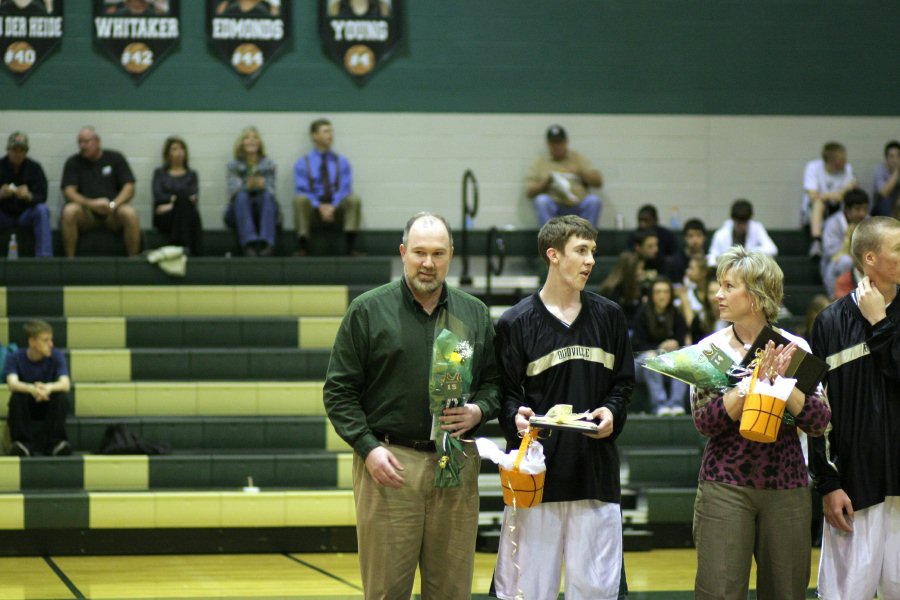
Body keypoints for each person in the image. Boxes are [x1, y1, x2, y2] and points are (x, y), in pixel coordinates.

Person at [323, 212, 500, 600]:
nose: (428, 263)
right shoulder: (368, 311)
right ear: (403, 252)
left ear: (450, 255)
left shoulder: (473, 314)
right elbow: (338, 393)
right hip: (390, 465)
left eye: (438, 253)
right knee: (387, 591)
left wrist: (479, 412)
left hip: (455, 464)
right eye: (419, 252)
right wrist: (368, 449)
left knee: (452, 591)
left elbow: (494, 384)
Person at [492, 215, 633, 599]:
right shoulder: (515, 322)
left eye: (593, 252)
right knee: (525, 591)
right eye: (581, 251)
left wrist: (613, 412)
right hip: (536, 477)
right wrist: (514, 416)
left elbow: (623, 384)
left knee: (596, 592)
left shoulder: (610, 316)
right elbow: (505, 395)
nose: (590, 261)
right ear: (553, 255)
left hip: (595, 475)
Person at [691, 246, 831, 600]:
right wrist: (747, 386)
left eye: (728, 286)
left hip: (786, 485)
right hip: (725, 484)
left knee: (786, 592)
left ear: (755, 296)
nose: (717, 294)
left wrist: (786, 386)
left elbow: (819, 422)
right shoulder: (710, 350)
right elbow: (704, 422)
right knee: (719, 591)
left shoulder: (794, 348)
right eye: (718, 285)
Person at [809, 216, 900, 600]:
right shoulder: (829, 323)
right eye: (897, 248)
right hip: (854, 492)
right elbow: (815, 412)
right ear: (870, 258)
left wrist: (880, 322)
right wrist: (828, 484)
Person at [60, 126, 141, 258]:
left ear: (97, 141)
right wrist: (91, 204)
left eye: (86, 142)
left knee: (130, 213)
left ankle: (133, 261)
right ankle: (70, 261)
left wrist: (113, 205)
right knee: (69, 211)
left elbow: (129, 187)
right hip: (86, 212)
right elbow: (69, 191)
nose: (82, 146)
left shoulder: (115, 158)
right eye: (80, 142)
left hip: (113, 211)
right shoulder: (73, 162)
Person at [293, 119, 363, 256]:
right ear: (314, 135)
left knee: (354, 199)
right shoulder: (303, 163)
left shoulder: (341, 161)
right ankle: (304, 247)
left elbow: (345, 188)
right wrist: (319, 206)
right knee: (300, 200)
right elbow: (302, 189)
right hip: (314, 212)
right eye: (326, 131)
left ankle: (350, 248)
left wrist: (333, 206)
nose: (330, 135)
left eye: (331, 131)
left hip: (337, 211)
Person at [3, 320, 71, 457]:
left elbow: (65, 384)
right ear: (32, 342)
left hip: (48, 404)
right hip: (27, 405)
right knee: (17, 396)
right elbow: (12, 383)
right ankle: (23, 444)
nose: (50, 344)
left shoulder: (56, 355)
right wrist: (32, 389)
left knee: (61, 396)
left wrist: (48, 388)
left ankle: (55, 444)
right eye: (45, 340)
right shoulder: (14, 357)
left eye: (50, 340)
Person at [526, 125, 603, 227]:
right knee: (541, 201)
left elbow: (598, 182)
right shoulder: (540, 162)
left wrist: (580, 173)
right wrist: (547, 181)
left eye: (560, 142)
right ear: (548, 144)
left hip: (577, 204)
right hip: (555, 206)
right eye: (553, 143)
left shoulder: (577, 158)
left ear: (566, 141)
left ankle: (586, 239)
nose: (557, 146)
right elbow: (529, 192)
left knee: (594, 201)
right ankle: (549, 240)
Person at [633, 277, 689, 416]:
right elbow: (636, 345)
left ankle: (677, 404)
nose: (662, 295)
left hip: (668, 362)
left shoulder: (676, 314)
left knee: (681, 358)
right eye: (658, 292)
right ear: (652, 295)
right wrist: (659, 347)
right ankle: (660, 405)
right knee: (651, 358)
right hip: (642, 362)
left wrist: (676, 343)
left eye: (665, 292)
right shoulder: (642, 313)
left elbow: (682, 341)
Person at [224, 126, 279, 257]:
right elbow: (233, 191)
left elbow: (272, 191)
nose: (251, 140)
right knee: (242, 196)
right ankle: (249, 243)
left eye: (255, 138)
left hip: (263, 209)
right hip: (238, 211)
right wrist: (246, 186)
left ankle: (266, 243)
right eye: (247, 138)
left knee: (266, 196)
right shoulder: (233, 165)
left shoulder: (269, 164)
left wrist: (263, 185)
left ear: (260, 143)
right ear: (241, 143)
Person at [0, 132, 52, 257]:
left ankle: (44, 258)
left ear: (26, 152)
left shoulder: (35, 168)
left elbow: (42, 196)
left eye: (21, 150)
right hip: (3, 215)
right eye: (14, 150)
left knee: (42, 210)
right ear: (8, 150)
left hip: (25, 215)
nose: (17, 154)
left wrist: (29, 196)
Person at [802, 141, 857, 258]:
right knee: (818, 203)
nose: (845, 162)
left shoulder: (847, 168)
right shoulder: (813, 167)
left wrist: (826, 195)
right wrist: (837, 194)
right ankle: (816, 241)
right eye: (841, 160)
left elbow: (850, 191)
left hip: (838, 209)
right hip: (814, 211)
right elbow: (812, 195)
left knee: (853, 203)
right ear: (831, 161)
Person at [151, 136, 203, 256]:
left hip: (175, 211)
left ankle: (180, 244)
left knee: (185, 203)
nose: (179, 152)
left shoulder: (192, 174)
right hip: (164, 217)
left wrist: (172, 204)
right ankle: (187, 247)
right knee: (186, 203)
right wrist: (178, 200)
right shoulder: (159, 173)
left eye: (181, 149)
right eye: (174, 149)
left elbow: (194, 197)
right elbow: (158, 196)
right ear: (168, 153)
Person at [820, 188, 868, 297]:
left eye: (865, 209)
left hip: (860, 263)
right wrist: (848, 238)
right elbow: (831, 253)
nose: (862, 213)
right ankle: (837, 298)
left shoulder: (869, 222)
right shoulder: (832, 223)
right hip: (833, 265)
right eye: (857, 209)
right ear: (846, 209)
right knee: (845, 261)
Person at [707, 199, 778, 266]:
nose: (740, 226)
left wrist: (746, 252)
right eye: (738, 223)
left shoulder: (756, 228)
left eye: (743, 223)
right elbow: (712, 257)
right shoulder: (721, 234)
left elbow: (772, 249)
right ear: (733, 220)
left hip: (750, 270)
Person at [599, 250, 646, 328]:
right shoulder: (612, 290)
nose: (641, 272)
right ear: (630, 271)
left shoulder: (637, 287)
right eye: (639, 269)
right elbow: (615, 321)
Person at [666, 217, 708, 282]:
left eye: (698, 235)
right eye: (691, 236)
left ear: (704, 237)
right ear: (684, 238)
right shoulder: (674, 263)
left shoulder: (710, 260)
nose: (695, 240)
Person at [870, 140, 900, 218]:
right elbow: (884, 193)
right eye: (892, 156)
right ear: (886, 159)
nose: (895, 159)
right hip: (880, 207)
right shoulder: (879, 170)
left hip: (897, 204)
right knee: (885, 201)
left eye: (898, 156)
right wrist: (896, 171)